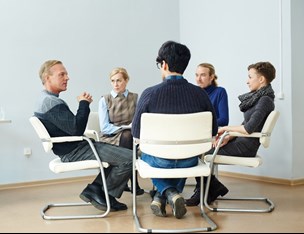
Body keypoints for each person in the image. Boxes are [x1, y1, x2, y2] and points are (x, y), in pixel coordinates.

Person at [131, 40, 218, 219]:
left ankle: (166, 193)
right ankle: (169, 195)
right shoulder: (200, 94)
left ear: (164, 64)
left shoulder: (149, 94)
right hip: (189, 161)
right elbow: (213, 130)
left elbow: (136, 133)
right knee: (182, 152)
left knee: (145, 155)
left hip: (160, 161)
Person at [34, 60, 133, 212]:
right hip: (74, 151)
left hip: (77, 147)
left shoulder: (47, 100)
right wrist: (84, 103)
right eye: (62, 74)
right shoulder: (50, 102)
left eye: (66, 74)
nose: (67, 77)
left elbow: (71, 128)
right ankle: (101, 192)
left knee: (118, 156)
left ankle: (99, 191)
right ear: (48, 78)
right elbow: (76, 129)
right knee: (130, 158)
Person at [186, 61, 276, 206]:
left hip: (246, 146)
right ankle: (211, 188)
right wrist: (229, 137)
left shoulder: (265, 100)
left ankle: (209, 189)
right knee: (200, 150)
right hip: (241, 141)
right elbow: (245, 125)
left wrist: (225, 129)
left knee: (198, 151)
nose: (247, 81)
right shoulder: (261, 98)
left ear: (261, 79)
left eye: (250, 77)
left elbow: (248, 128)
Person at [186, 62, 229, 206]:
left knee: (191, 153)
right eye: (197, 75)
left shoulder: (219, 92)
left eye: (203, 75)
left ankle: (202, 190)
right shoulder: (193, 94)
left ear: (211, 77)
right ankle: (214, 186)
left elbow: (224, 119)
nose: (199, 79)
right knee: (181, 150)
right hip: (194, 135)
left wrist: (202, 124)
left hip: (212, 136)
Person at [98, 67, 144, 195]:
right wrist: (125, 128)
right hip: (111, 136)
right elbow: (104, 127)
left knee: (129, 136)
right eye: (113, 81)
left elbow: (139, 120)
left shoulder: (135, 98)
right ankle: (133, 182)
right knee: (127, 135)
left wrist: (131, 128)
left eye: (119, 80)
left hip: (132, 135)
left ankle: (124, 181)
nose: (115, 84)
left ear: (126, 80)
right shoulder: (105, 99)